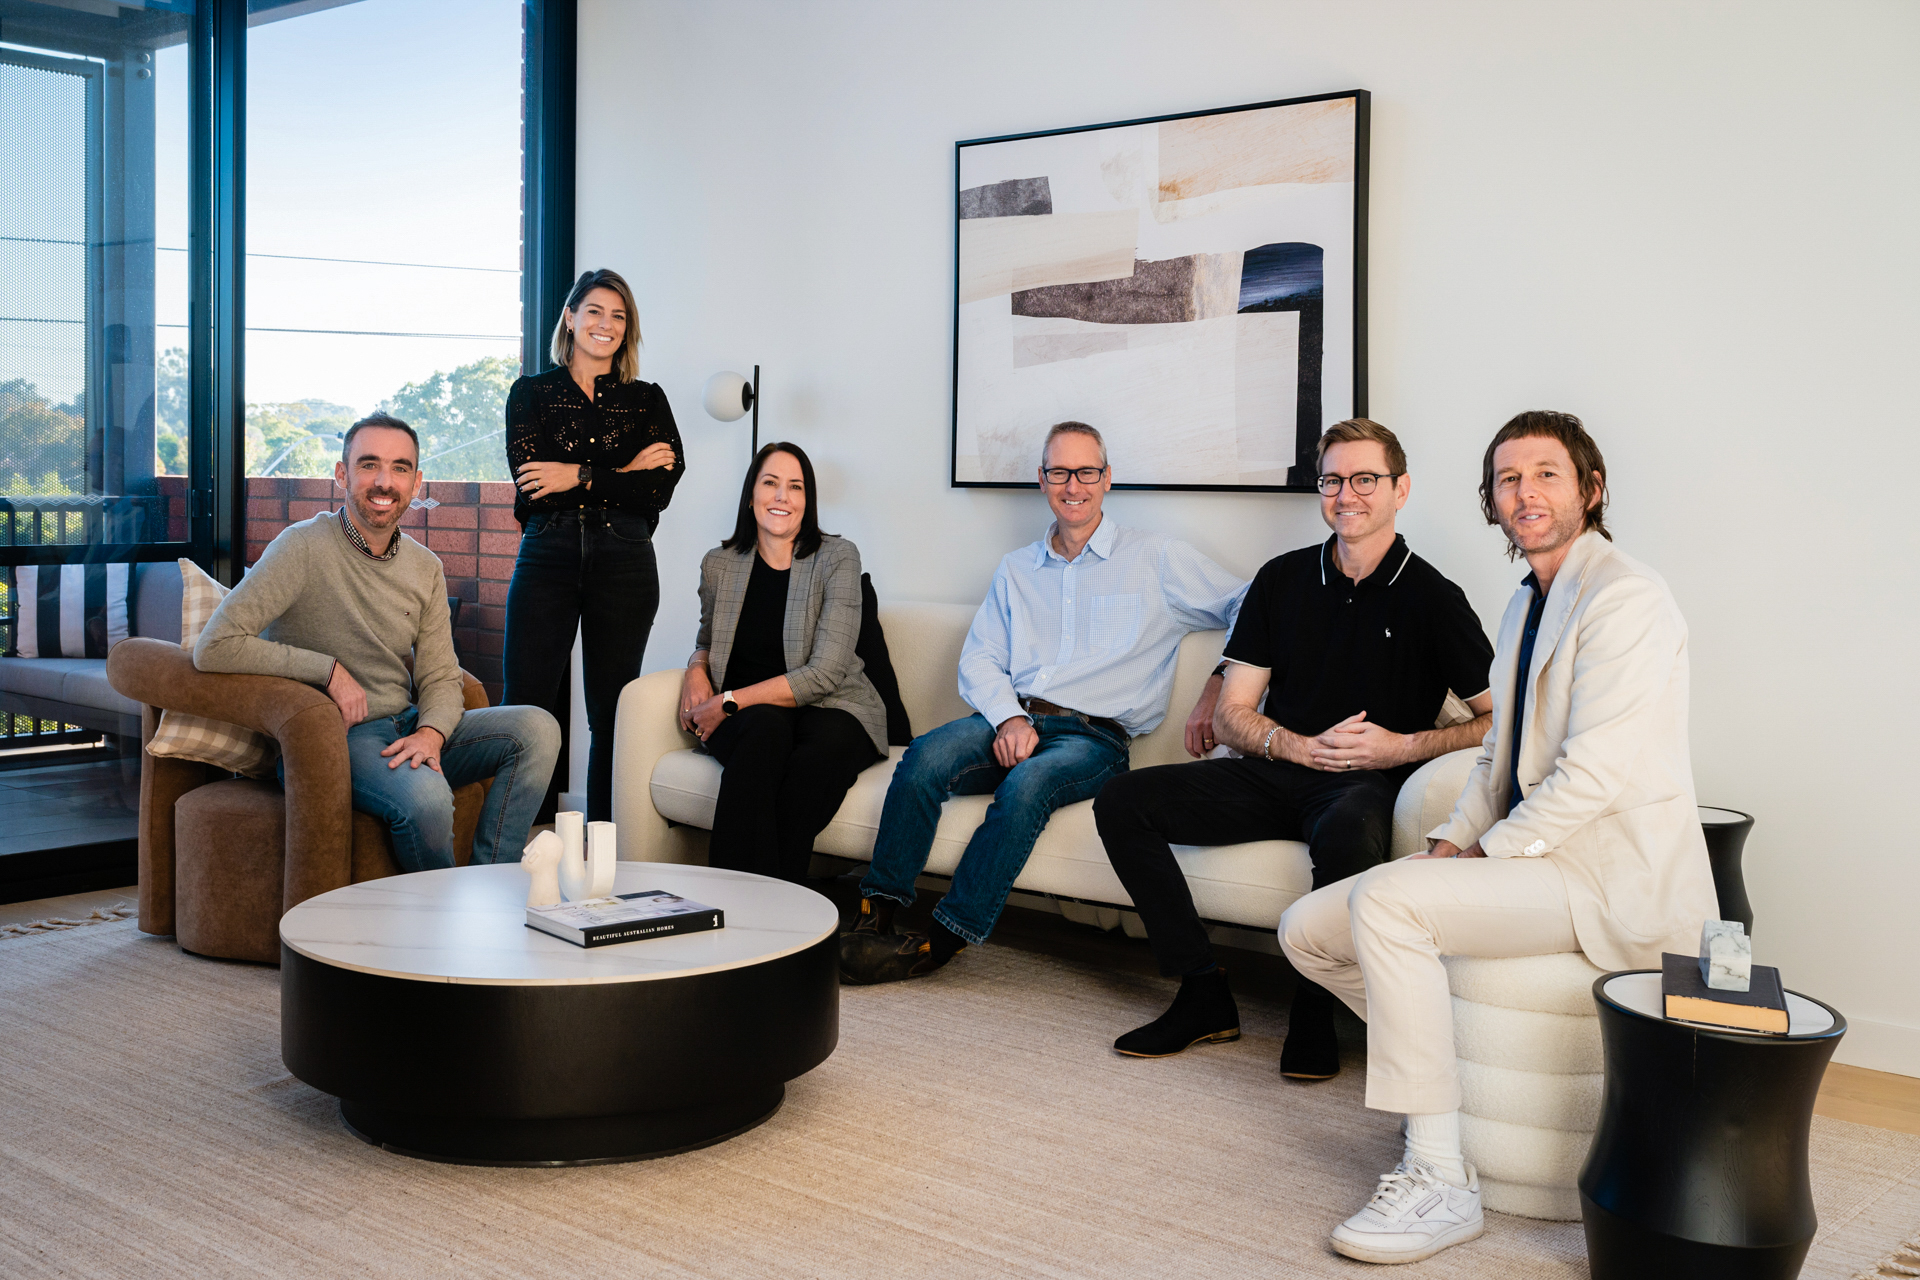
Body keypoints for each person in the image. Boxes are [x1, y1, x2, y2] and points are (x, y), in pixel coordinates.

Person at [1278, 411, 1719, 1265]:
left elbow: (1589, 778)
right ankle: (1446, 1099)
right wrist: (1448, 845)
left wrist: (1480, 856)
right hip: (1535, 860)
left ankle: (1441, 1178)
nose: (1526, 493)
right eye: (1509, 479)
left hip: (1604, 877)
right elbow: (1497, 760)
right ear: (1491, 499)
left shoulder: (1626, 597)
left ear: (1590, 489)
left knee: (1395, 908)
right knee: (1308, 930)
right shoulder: (1524, 605)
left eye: (1547, 474)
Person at [1094, 419, 1494, 1079]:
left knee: (1345, 834)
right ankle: (1202, 990)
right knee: (1123, 800)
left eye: (1366, 479)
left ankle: (1317, 1010)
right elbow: (1233, 713)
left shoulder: (1433, 597)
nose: (1347, 495)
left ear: (1401, 490)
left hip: (1361, 783)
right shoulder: (1280, 581)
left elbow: (1495, 724)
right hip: (1276, 769)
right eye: (1333, 480)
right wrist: (1294, 746)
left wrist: (1402, 746)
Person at [838, 421, 1247, 984]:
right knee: (926, 755)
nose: (1072, 484)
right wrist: (1008, 717)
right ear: (1042, 480)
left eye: (1086, 472)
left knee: (1025, 786)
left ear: (1107, 479)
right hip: (1014, 716)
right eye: (1060, 471)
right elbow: (979, 660)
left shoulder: (1157, 559)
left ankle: (944, 937)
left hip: (1095, 739)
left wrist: (1218, 681)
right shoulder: (1016, 569)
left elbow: (1251, 604)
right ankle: (877, 911)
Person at [195, 413, 561, 872]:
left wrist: (431, 733)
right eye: (369, 465)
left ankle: (492, 881)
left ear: (417, 481)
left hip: (406, 725)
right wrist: (327, 670)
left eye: (400, 468)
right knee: (427, 797)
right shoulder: (301, 547)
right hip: (334, 737)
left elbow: (441, 676)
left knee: (538, 729)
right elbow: (216, 645)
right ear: (341, 474)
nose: (384, 481)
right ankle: (441, 922)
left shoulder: (424, 566)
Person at [503, 268, 685, 822]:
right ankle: (513, 844)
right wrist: (621, 470)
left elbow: (660, 486)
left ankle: (603, 850)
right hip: (547, 553)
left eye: (619, 315)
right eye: (596, 311)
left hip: (624, 560)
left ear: (628, 329)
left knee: (610, 713)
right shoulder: (531, 393)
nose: (606, 324)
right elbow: (533, 481)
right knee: (526, 708)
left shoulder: (647, 400)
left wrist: (577, 475)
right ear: (571, 317)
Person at [680, 442, 888, 883]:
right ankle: (745, 901)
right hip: (756, 716)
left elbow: (826, 672)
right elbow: (706, 637)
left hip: (833, 705)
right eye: (770, 483)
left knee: (815, 763)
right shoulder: (719, 564)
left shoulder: (837, 557)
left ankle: (773, 904)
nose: (781, 497)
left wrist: (729, 701)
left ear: (807, 501)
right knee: (766, 733)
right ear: (751, 494)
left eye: (795, 487)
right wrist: (696, 669)